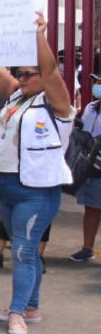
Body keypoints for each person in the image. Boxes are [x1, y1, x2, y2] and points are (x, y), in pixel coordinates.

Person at [0, 12, 74, 334]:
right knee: (25, 247)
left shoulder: (57, 103)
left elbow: (49, 69)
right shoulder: (16, 96)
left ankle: (18, 312)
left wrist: (40, 35)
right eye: (18, 74)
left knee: (22, 250)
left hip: (36, 189)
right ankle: (31, 304)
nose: (20, 78)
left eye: (27, 74)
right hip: (6, 184)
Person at [69, 74, 101, 263]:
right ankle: (87, 248)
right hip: (92, 167)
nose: (97, 86)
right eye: (96, 82)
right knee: (91, 208)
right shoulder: (90, 108)